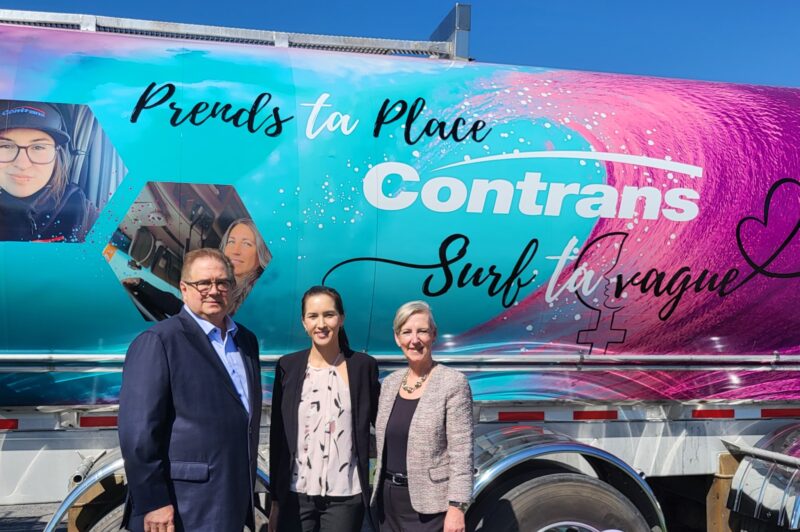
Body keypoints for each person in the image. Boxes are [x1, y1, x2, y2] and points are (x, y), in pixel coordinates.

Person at [118, 248, 262, 531]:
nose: (214, 290)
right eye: (203, 283)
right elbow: (138, 433)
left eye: (222, 282)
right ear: (184, 289)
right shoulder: (159, 341)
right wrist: (153, 502)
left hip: (231, 498)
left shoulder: (246, 340)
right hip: (182, 505)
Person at [269, 286, 380, 532]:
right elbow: (278, 436)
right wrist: (275, 499)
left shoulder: (363, 367)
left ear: (342, 318)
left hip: (345, 495)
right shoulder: (287, 367)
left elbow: (382, 425)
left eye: (329, 315)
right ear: (304, 322)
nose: (321, 324)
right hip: (296, 494)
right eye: (313, 316)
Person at [371, 301, 473, 532]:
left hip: (430, 507)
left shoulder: (453, 382)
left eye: (422, 331)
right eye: (406, 332)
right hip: (387, 505)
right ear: (397, 338)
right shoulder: (390, 384)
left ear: (433, 335)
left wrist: (457, 507)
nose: (414, 340)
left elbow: (462, 451)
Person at [124, 217, 270, 318]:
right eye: (231, 242)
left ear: (261, 254)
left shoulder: (262, 297)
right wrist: (140, 284)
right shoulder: (225, 287)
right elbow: (183, 310)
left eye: (247, 244)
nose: (235, 251)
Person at [0, 100, 97, 242]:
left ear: (57, 155)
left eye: (38, 147)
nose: (22, 164)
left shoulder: (84, 213)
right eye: (6, 146)